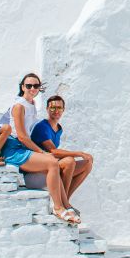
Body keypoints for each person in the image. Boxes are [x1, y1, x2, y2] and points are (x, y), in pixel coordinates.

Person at [0, 73, 79, 225]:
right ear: (22, 87)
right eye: (28, 85)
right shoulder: (19, 106)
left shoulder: (31, 105)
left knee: (57, 162)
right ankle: (58, 207)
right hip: (13, 149)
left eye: (36, 86)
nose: (32, 88)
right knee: (51, 162)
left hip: (22, 148)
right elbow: (22, 136)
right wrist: (41, 152)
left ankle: (64, 205)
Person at [30, 95, 94, 224]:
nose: (56, 110)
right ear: (47, 109)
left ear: (63, 110)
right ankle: (62, 204)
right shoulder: (42, 127)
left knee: (87, 164)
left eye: (59, 107)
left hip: (53, 167)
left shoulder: (58, 129)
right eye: (52, 107)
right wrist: (79, 153)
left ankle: (66, 201)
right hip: (40, 170)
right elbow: (53, 151)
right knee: (69, 161)